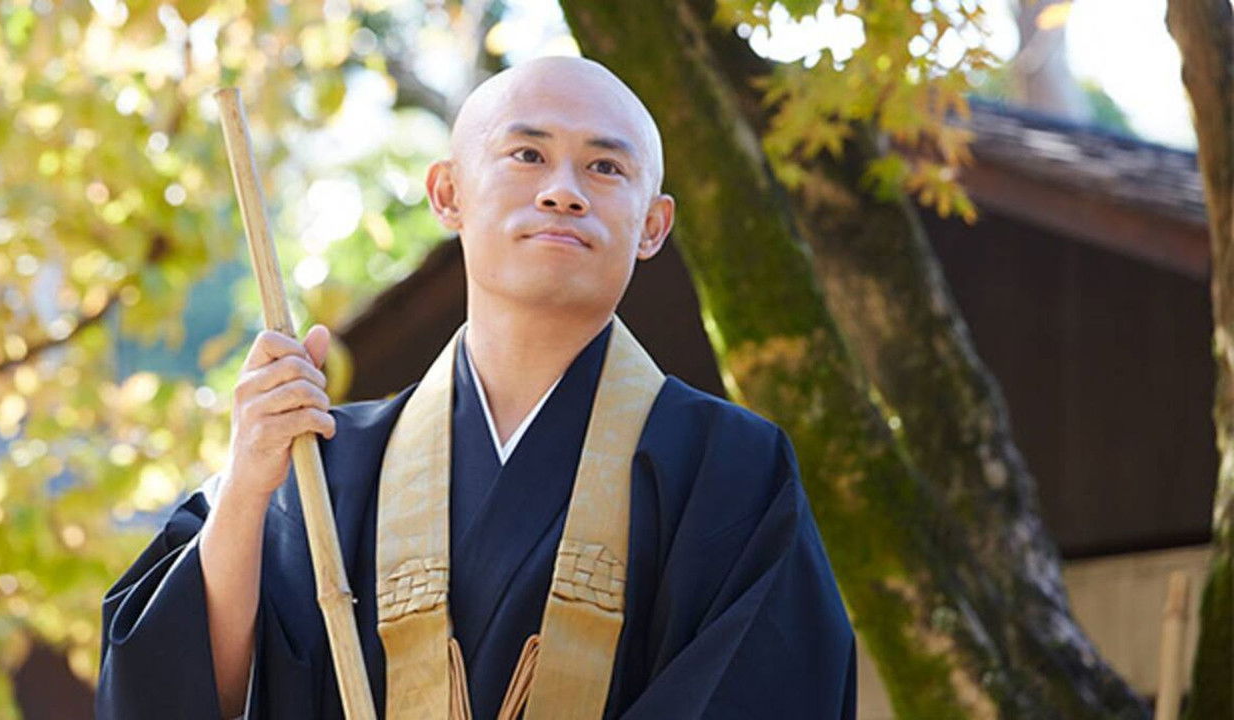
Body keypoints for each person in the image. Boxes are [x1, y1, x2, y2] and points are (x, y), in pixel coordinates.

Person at [96, 55, 856, 719]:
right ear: (448, 193)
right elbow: (175, 694)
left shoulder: (732, 471)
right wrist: (249, 484)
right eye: (527, 154)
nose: (564, 191)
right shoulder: (321, 468)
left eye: (605, 167)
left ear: (653, 226)